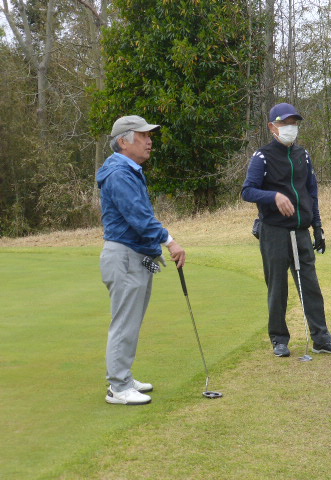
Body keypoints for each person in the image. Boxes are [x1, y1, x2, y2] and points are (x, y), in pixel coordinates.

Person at [242, 103, 331, 357]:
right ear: (272, 127)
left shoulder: (303, 155)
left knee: (310, 286)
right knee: (277, 287)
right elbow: (248, 191)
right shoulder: (263, 156)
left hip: (301, 230)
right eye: (284, 123)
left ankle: (321, 338)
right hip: (274, 231)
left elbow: (311, 192)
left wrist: (317, 226)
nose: (290, 128)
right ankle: (279, 339)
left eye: (294, 123)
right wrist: (274, 196)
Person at [97, 115, 186, 405]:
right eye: (143, 135)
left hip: (134, 254)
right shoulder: (119, 173)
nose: (149, 141)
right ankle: (118, 387)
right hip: (124, 255)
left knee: (132, 321)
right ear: (124, 141)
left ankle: (123, 375)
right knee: (125, 322)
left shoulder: (129, 170)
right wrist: (170, 241)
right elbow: (139, 217)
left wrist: (154, 249)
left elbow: (141, 218)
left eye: (149, 136)